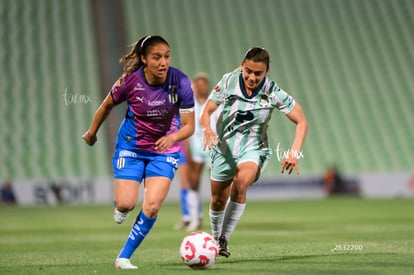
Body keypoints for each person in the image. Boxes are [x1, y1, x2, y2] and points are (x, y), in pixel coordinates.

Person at [82, 35, 195, 269]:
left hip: (164, 150)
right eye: (156, 57)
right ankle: (120, 205)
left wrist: (172, 137)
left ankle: (123, 257)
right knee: (126, 204)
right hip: (131, 147)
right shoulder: (129, 82)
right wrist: (92, 134)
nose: (163, 62)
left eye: (167, 56)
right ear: (143, 59)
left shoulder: (181, 82)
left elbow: (190, 126)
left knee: (152, 205)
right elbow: (106, 106)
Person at [200, 47, 308, 257]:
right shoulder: (228, 81)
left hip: (253, 149)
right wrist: (206, 128)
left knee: (240, 185)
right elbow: (207, 111)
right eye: (248, 71)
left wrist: (294, 152)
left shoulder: (273, 91)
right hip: (223, 150)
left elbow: (301, 121)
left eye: (258, 73)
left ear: (266, 71)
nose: (251, 77)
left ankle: (223, 240)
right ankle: (214, 236)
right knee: (217, 200)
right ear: (242, 66)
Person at [184, 73, 215, 231]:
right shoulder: (190, 104)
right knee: (193, 183)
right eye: (199, 83)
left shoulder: (214, 102)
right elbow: (185, 127)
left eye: (204, 83)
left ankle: (217, 218)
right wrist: (187, 148)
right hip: (196, 145)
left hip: (212, 146)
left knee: (216, 183)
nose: (202, 86)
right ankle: (195, 219)